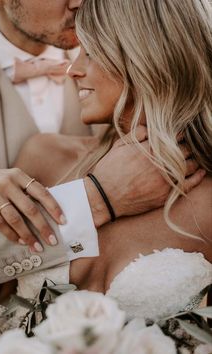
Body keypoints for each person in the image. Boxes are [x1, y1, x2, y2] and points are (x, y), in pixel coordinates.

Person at [13, 0, 211, 320]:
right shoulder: (43, 159)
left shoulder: (206, 199)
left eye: (90, 52)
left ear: (147, 57)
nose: (72, 69)